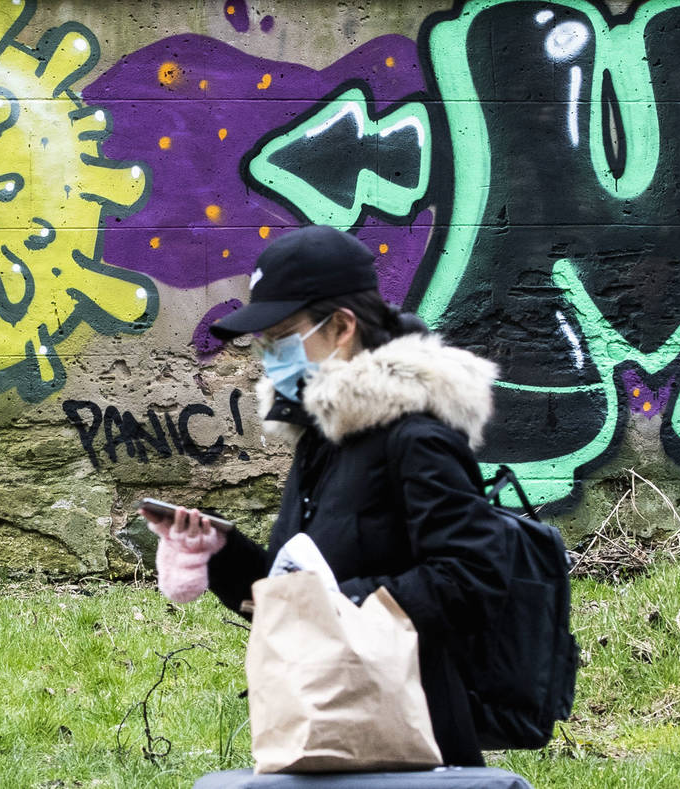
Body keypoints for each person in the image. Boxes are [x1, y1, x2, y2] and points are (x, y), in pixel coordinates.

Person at [141, 225, 512, 767]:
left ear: (341, 327)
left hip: (413, 740)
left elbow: (473, 578)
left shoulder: (418, 438)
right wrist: (220, 556)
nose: (266, 357)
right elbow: (300, 588)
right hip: (329, 730)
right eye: (261, 343)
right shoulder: (321, 436)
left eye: (281, 338)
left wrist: (342, 602)